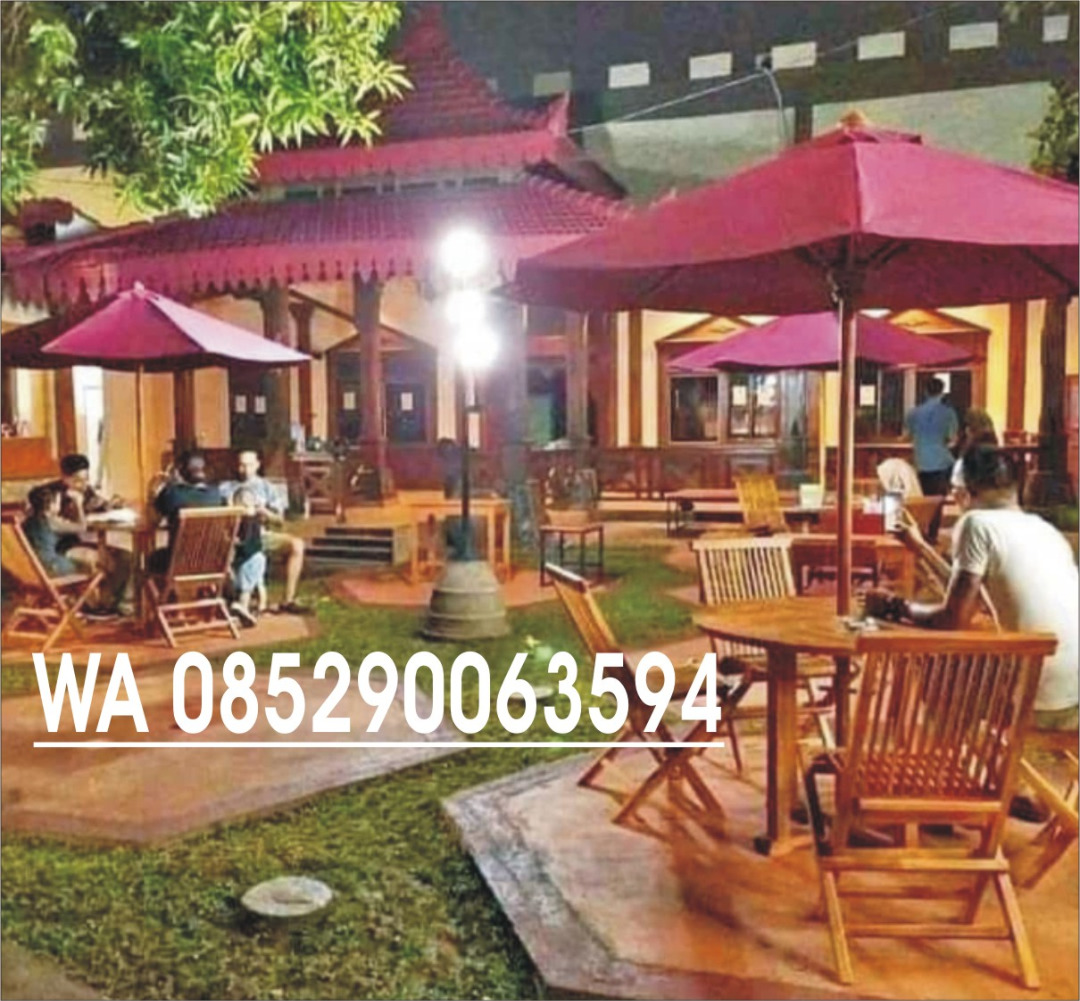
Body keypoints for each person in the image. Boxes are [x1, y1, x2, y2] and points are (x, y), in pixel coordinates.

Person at [866, 447, 1079, 814]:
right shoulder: (1045, 530)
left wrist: (896, 607)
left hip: (1041, 700)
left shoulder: (975, 524)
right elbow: (974, 598)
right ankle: (1004, 786)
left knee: (939, 673)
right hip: (1073, 695)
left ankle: (941, 792)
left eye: (954, 489)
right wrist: (920, 547)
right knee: (963, 678)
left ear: (965, 491)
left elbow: (953, 618)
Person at [35, 454, 130, 615]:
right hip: (60, 548)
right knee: (97, 560)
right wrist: (77, 507)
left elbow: (100, 504)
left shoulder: (86, 490)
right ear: (64, 478)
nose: (83, 484)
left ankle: (109, 603)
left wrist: (112, 504)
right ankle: (93, 606)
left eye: (86, 479)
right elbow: (70, 525)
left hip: (76, 542)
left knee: (125, 557)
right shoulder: (50, 495)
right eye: (77, 480)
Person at [223, 449, 308, 614]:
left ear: (257, 465)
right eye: (241, 465)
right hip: (233, 536)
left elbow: (279, 521)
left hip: (261, 535)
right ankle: (236, 596)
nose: (245, 469)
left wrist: (264, 512)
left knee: (297, 545)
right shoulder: (226, 488)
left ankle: (288, 600)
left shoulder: (267, 487)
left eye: (249, 465)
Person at [149, 450, 225, 572]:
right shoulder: (216, 495)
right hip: (212, 562)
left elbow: (154, 520)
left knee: (152, 559)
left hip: (180, 561)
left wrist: (152, 495)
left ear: (181, 471)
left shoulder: (173, 493)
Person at [903, 377, 958, 541]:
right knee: (937, 500)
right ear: (942, 392)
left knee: (920, 498)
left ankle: (919, 532)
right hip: (941, 461)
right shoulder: (948, 413)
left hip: (920, 460)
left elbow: (906, 436)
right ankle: (932, 534)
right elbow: (952, 438)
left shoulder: (913, 413)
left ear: (926, 391)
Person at [229, 484, 267, 627]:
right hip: (259, 556)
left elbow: (244, 542)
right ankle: (261, 608)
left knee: (245, 588)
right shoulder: (255, 519)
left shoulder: (244, 521)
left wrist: (234, 541)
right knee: (258, 583)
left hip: (249, 558)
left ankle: (242, 607)